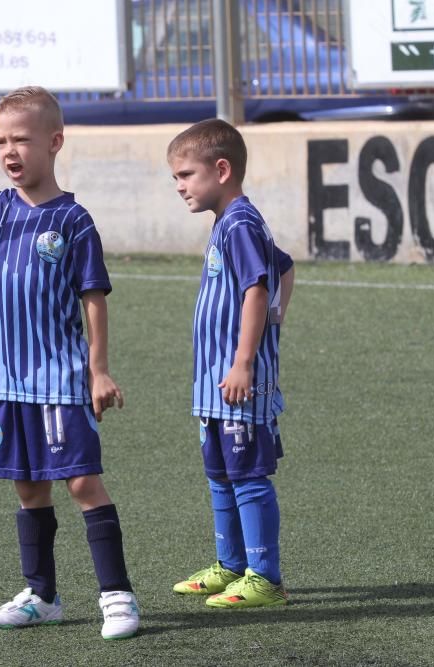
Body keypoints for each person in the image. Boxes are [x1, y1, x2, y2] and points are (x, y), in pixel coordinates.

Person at [0, 87, 139, 640]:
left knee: (83, 483)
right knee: (28, 488)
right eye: (1, 141)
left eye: (22, 140)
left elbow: (94, 297)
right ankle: (42, 594)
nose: (10, 151)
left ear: (55, 142)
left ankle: (118, 597)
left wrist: (98, 368)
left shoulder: (74, 220)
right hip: (6, 383)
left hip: (60, 380)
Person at [166, 118, 295, 608]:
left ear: (221, 170)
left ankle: (265, 577)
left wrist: (245, 360)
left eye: (185, 175)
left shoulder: (240, 222)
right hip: (216, 385)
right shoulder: (229, 221)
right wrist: (279, 316)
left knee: (247, 475)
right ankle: (232, 565)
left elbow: (258, 288)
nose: (180, 187)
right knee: (219, 473)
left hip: (239, 381)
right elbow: (284, 266)